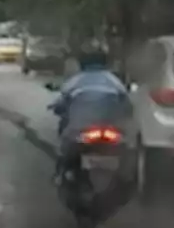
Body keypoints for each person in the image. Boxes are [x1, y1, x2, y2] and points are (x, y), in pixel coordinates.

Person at [49, 42, 130, 186]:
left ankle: (60, 174)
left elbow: (61, 104)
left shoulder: (75, 81)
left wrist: (57, 108)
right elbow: (127, 104)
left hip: (80, 130)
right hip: (111, 129)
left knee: (65, 145)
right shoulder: (114, 81)